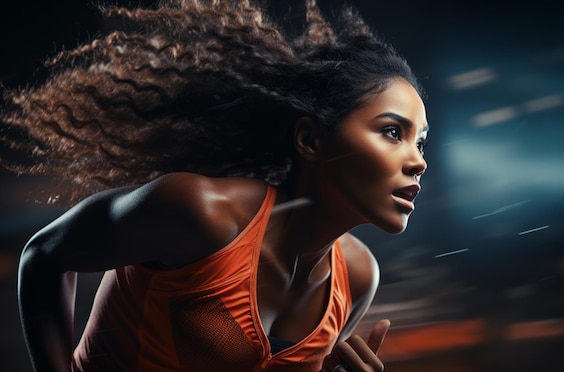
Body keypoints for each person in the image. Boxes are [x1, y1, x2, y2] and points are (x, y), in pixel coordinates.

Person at [3, 0, 429, 370]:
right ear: (311, 139)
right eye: (393, 132)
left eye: (421, 141)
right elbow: (43, 257)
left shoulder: (356, 279)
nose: (418, 161)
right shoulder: (198, 212)